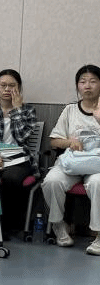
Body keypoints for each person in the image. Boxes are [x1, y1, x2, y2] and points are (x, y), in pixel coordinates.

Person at [0, 68, 40, 233]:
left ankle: (6, 226)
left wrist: (16, 111)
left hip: (19, 160)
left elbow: (22, 137)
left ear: (19, 88)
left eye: (12, 85)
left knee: (11, 178)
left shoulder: (28, 111)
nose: (7, 89)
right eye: (3, 85)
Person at [42, 64, 100, 251]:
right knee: (52, 181)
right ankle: (59, 226)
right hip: (72, 163)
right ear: (77, 86)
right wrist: (70, 142)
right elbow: (54, 141)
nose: (87, 86)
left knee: (98, 183)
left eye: (93, 81)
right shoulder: (70, 110)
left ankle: (99, 234)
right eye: (83, 82)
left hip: (97, 165)